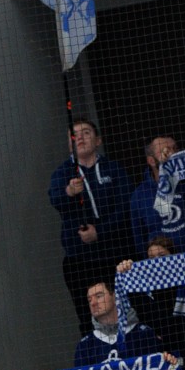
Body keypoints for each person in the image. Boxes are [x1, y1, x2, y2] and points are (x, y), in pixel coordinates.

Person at [49, 120, 132, 327]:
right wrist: (69, 192)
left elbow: (125, 207)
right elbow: (55, 200)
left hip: (115, 254)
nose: (80, 137)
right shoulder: (62, 174)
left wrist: (100, 232)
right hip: (81, 259)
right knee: (88, 316)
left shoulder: (114, 169)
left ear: (98, 140)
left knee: (127, 307)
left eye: (86, 132)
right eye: (74, 134)